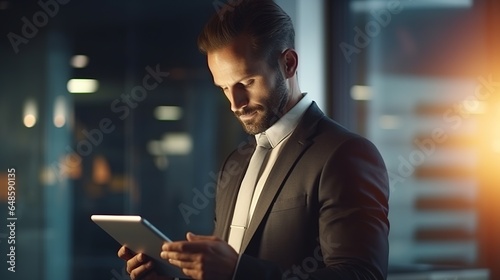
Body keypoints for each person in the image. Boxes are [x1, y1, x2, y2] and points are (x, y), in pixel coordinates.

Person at [118, 0, 390, 279]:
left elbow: (362, 274)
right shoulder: (235, 163)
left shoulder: (345, 154)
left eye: (246, 82)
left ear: (288, 63)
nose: (235, 103)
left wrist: (239, 271)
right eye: (224, 87)